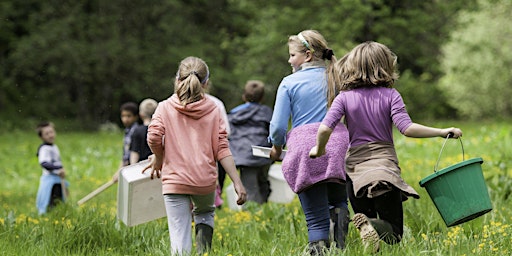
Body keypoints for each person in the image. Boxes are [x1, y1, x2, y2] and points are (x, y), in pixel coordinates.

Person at [309, 41, 463, 253]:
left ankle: (362, 227)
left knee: (366, 222)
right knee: (394, 234)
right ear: (385, 67)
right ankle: (372, 226)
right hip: (384, 170)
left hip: (355, 171)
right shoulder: (391, 95)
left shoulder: (343, 97)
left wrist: (319, 149)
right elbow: (407, 129)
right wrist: (441, 131)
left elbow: (325, 128)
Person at [143, 56, 247, 255]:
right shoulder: (214, 109)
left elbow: (154, 136)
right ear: (206, 83)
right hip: (204, 180)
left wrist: (159, 157)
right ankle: (203, 252)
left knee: (179, 231)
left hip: (174, 179)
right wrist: (237, 182)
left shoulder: (164, 107)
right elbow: (222, 148)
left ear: (177, 80)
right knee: (205, 213)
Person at [268, 30, 350, 254]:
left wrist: (276, 148)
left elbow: (277, 127)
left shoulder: (289, 83)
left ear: (307, 55)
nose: (289, 60)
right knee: (339, 202)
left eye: (292, 55)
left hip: (306, 147)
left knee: (316, 219)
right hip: (339, 144)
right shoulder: (337, 78)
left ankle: (320, 250)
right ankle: (341, 248)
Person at [228, 80, 273, 204]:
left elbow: (227, 134)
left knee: (250, 189)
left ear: (244, 96)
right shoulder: (267, 112)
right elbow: (275, 132)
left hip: (243, 155)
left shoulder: (234, 114)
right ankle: (263, 212)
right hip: (263, 153)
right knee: (263, 183)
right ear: (262, 97)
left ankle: (255, 215)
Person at [35, 122, 69, 215]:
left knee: (60, 198)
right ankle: (48, 215)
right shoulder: (44, 148)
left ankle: (58, 214)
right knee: (50, 199)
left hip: (58, 179)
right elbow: (44, 163)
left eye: (51, 132)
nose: (50, 135)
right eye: (46, 133)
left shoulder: (54, 147)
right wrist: (58, 168)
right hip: (50, 180)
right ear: (41, 137)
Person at [112, 102, 139, 182]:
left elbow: (128, 157)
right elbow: (125, 155)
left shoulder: (136, 132)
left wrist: (119, 172)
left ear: (136, 117)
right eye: (123, 116)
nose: (125, 119)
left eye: (129, 116)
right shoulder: (128, 131)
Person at [129, 98, 158, 164]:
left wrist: (133, 166)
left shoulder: (137, 131)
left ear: (141, 114)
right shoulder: (160, 130)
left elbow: (134, 153)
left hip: (141, 168)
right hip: (157, 165)